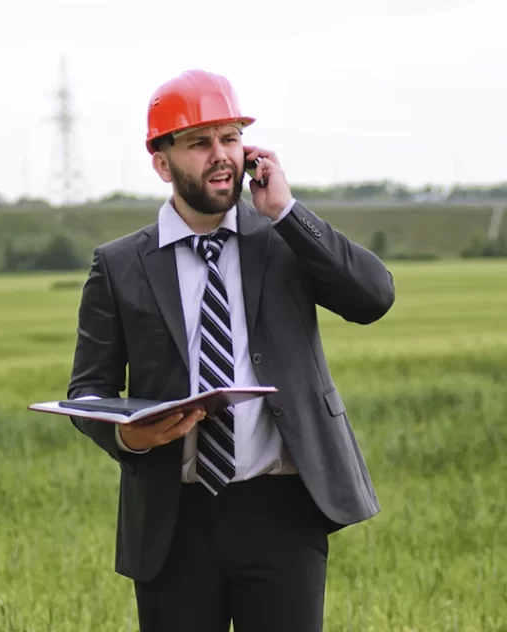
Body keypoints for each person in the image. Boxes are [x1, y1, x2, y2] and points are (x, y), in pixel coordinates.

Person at [66, 68, 395, 631]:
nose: (222, 155)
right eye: (199, 143)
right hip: (173, 520)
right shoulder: (120, 265)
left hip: (283, 510)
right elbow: (88, 390)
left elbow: (373, 298)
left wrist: (289, 213)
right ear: (162, 162)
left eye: (231, 138)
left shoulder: (284, 240)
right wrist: (126, 435)